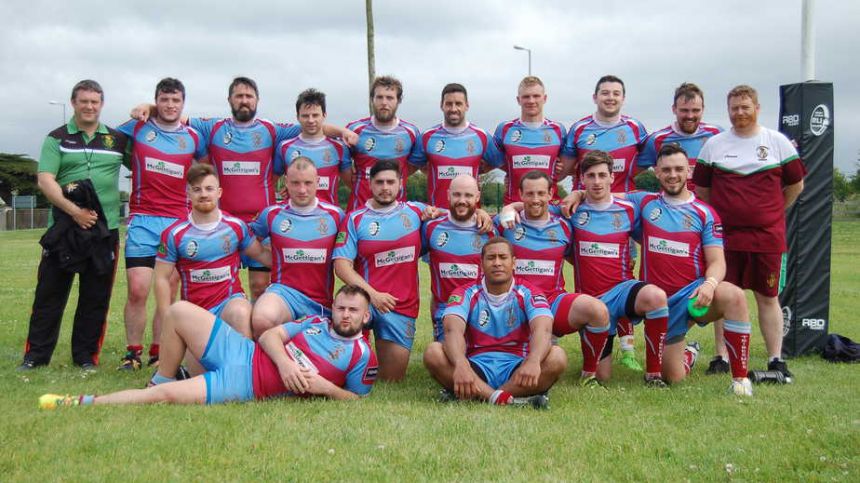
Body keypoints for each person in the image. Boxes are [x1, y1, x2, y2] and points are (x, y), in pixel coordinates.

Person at [130, 77, 355, 301]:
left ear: (257, 100)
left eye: (249, 96)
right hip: (223, 224)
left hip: (261, 225)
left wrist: (342, 132)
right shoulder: (213, 127)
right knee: (218, 287)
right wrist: (149, 107)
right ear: (229, 99)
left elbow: (311, 127)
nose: (244, 101)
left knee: (260, 287)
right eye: (239, 96)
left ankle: (259, 336)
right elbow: (174, 114)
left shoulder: (271, 129)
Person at [38, 285, 378, 408]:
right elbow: (270, 336)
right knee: (179, 311)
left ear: (365, 318)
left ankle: (82, 402)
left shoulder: (362, 356)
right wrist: (287, 365)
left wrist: (323, 388)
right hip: (242, 351)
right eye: (340, 307)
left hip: (246, 384)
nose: (345, 315)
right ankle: (163, 376)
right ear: (332, 308)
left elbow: (357, 400)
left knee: (163, 401)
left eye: (353, 311)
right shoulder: (314, 322)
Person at [694, 85, 806, 379]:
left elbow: (796, 185)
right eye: (734, 108)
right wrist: (718, 217)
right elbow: (702, 188)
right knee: (724, 296)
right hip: (725, 239)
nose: (739, 113)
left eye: (745, 107)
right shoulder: (714, 145)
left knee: (768, 297)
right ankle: (721, 356)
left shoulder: (777, 143)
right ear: (728, 110)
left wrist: (773, 212)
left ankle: (775, 359)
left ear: (757, 107)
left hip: (767, 237)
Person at [19, 80, 128, 370]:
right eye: (84, 102)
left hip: (104, 233)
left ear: (101, 104)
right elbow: (45, 179)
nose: (89, 107)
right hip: (65, 228)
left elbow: (146, 164)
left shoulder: (116, 140)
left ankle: (85, 358)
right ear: (73, 103)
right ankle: (35, 357)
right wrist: (75, 211)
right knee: (49, 296)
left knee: (95, 298)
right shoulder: (56, 138)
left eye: (94, 102)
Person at [628, 144, 753, 395]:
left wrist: (710, 284)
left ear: (689, 171)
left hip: (695, 296)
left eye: (678, 169)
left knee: (734, 295)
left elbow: (717, 261)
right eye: (666, 170)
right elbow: (605, 198)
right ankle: (689, 353)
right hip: (662, 305)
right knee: (673, 378)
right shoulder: (643, 202)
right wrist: (577, 195)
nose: (672, 175)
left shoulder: (705, 213)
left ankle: (740, 381)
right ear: (657, 173)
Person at [117, 77, 206, 370]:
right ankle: (132, 353)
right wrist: (148, 108)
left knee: (166, 290)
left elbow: (206, 170)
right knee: (138, 289)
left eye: (175, 101)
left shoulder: (193, 136)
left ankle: (158, 350)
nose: (170, 105)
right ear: (157, 101)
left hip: (177, 222)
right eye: (164, 100)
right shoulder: (139, 126)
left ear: (183, 104)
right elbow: (111, 140)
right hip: (143, 219)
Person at [561, 75, 648, 369]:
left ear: (623, 98)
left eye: (616, 93)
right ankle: (600, 340)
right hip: (587, 214)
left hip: (620, 217)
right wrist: (579, 191)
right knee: (593, 272)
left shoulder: (636, 129)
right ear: (595, 96)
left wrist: (623, 199)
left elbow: (649, 165)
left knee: (623, 275)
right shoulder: (580, 129)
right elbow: (568, 167)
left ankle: (628, 349)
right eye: (605, 93)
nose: (610, 98)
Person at [566, 151, 672, 386]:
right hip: (592, 301)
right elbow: (538, 205)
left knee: (655, 296)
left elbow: (655, 224)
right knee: (601, 376)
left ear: (612, 177)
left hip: (622, 290)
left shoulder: (629, 208)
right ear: (582, 179)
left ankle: (653, 374)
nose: (596, 181)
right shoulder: (571, 211)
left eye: (602, 175)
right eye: (590, 176)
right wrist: (513, 208)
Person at [422, 237, 567, 408]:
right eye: (491, 258)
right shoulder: (465, 293)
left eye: (503, 257)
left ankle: (479, 395)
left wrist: (534, 360)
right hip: (475, 367)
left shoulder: (529, 292)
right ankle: (509, 399)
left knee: (557, 357)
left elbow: (542, 329)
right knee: (433, 353)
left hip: (518, 367)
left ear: (514, 263)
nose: (497, 263)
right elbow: (452, 331)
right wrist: (461, 364)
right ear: (481, 263)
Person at [496, 171, 610, 385]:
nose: (535, 199)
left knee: (597, 311)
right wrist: (507, 208)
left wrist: (578, 192)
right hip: (515, 306)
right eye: (529, 193)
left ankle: (589, 375)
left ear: (551, 194)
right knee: (523, 363)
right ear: (520, 194)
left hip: (552, 302)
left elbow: (596, 200)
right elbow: (478, 221)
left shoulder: (565, 226)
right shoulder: (506, 223)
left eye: (541, 193)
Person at [333, 159, 428, 381]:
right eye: (379, 182)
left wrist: (481, 214)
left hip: (400, 305)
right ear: (370, 184)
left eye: (390, 182)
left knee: (391, 379)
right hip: (365, 302)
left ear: (400, 183)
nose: (385, 187)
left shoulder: (417, 211)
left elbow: (454, 214)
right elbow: (341, 266)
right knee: (348, 375)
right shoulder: (355, 219)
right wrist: (373, 296)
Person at [155, 163, 270, 339]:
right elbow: (161, 278)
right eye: (197, 189)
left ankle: (247, 363)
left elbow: (262, 255)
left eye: (209, 188)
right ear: (188, 194)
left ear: (219, 192)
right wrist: (166, 318)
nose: (203, 194)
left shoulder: (236, 226)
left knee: (240, 312)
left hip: (229, 304)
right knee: (199, 368)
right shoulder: (173, 233)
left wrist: (299, 264)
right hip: (195, 310)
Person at [250, 158, 345, 338]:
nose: (302, 190)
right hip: (283, 294)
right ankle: (263, 364)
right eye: (295, 183)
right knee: (262, 319)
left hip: (321, 302)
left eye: (308, 183)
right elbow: (245, 240)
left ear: (317, 182)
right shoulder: (271, 214)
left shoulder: (336, 216)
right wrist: (268, 258)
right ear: (286, 182)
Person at [421, 174, 497, 340]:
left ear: (477, 197)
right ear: (448, 195)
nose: (462, 200)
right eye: (457, 194)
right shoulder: (430, 227)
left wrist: (512, 207)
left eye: (468, 195)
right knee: (441, 358)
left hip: (483, 312)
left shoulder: (490, 229)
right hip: (446, 312)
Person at [411, 83, 501, 208]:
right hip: (437, 216)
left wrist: (479, 170)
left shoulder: (481, 136)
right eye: (449, 104)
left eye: (458, 104)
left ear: (467, 106)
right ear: (442, 105)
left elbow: (499, 162)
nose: (453, 109)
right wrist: (434, 171)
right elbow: (414, 165)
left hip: (471, 217)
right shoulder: (427, 137)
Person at [345, 75, 421, 211]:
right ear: (372, 99)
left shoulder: (411, 132)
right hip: (359, 210)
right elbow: (343, 167)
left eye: (390, 98)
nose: (384, 102)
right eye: (379, 97)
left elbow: (412, 166)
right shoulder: (355, 130)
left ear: (398, 101)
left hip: (396, 213)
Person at [491, 76, 566, 205]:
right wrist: (512, 171)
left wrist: (557, 169)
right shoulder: (504, 129)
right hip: (513, 206)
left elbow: (566, 167)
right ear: (518, 100)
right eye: (526, 96)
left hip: (549, 207)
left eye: (536, 96)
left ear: (545, 98)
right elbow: (491, 161)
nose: (531, 101)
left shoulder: (559, 130)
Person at [638, 82, 722, 194]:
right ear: (674, 109)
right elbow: (634, 174)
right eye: (684, 110)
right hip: (672, 209)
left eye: (696, 110)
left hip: (707, 208)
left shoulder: (716, 134)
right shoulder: (657, 140)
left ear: (703, 109)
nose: (690, 116)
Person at [274, 88, 352, 206]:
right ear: (297, 117)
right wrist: (290, 186)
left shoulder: (339, 148)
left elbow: (353, 185)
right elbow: (268, 183)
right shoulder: (285, 147)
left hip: (327, 220)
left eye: (315, 115)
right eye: (305, 116)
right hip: (293, 219)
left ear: (324, 115)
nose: (311, 120)